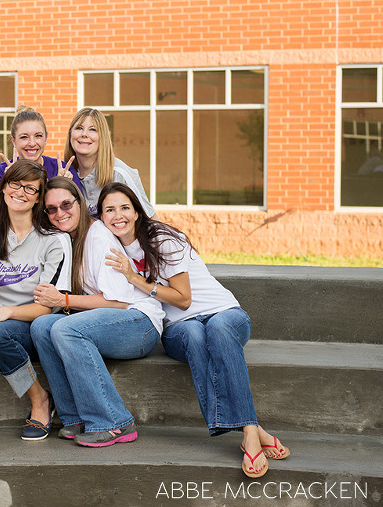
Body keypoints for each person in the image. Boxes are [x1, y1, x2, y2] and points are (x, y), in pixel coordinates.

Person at [101, 182, 290, 477]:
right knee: (193, 334)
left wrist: (135, 278)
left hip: (224, 313)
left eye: (124, 207)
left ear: (137, 211)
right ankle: (252, 427)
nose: (117, 215)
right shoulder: (109, 246)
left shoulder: (162, 238)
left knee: (216, 328)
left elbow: (184, 299)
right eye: (109, 209)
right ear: (101, 217)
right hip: (179, 328)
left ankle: (250, 433)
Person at [29, 176, 163, 447]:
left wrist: (64, 300)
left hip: (140, 323)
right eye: (51, 209)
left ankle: (114, 422)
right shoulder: (68, 239)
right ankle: (75, 417)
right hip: (112, 322)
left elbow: (118, 302)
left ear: (80, 203)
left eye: (66, 204)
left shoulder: (98, 236)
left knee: (65, 328)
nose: (59, 213)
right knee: (41, 326)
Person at [0, 160, 72, 444]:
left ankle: (40, 399)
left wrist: (5, 312)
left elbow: (47, 306)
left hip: (31, 325)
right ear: (4, 188)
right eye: (14, 184)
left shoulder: (53, 241)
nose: (20, 192)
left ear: (38, 197)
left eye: (30, 188)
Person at [63, 107, 154, 218]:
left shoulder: (120, 173)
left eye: (92, 129)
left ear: (103, 137)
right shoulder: (66, 174)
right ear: (70, 134)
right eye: (79, 128)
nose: (84, 134)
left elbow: (150, 219)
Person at [0, 105, 83, 196]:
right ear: (13, 141)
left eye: (38, 136)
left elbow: (79, 210)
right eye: (24, 137)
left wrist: (63, 189)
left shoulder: (64, 171)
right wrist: (11, 183)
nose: (32, 143)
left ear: (46, 138)